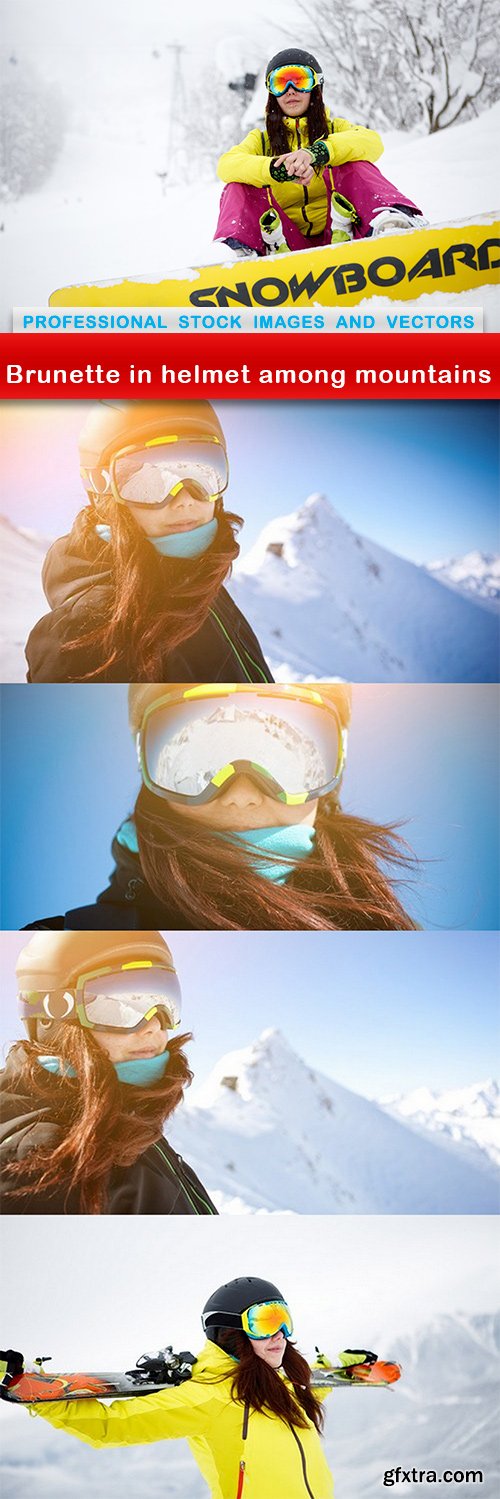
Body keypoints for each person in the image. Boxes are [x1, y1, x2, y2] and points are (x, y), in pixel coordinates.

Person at [26, 683, 418, 932]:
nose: (241, 795)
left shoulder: (389, 931)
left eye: (284, 763)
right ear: (151, 774)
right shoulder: (63, 939)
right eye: (198, 768)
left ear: (329, 777)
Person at [4, 1276, 382, 1498]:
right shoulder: (211, 1398)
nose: (279, 1335)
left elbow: (315, 1385)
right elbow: (113, 1425)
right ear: (231, 1333)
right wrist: (40, 1393)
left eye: (283, 1320)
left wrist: (342, 1367)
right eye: (264, 1323)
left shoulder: (288, 1381)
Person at [25, 400, 273, 685]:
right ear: (103, 491)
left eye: (203, 474)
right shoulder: (83, 635)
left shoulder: (201, 580)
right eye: (151, 482)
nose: (186, 499)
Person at [0, 930, 217, 1216]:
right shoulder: (43, 1165)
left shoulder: (119, 1118)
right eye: (120, 1006)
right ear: (51, 1017)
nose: (153, 1026)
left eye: (164, 1002)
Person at [215, 47, 425, 256]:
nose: (290, 90)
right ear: (272, 93)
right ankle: (238, 250)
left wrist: (317, 153)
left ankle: (390, 225)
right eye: (280, 83)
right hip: (285, 242)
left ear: (316, 87)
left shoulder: (334, 128)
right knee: (238, 184)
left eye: (300, 81)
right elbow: (227, 165)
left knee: (356, 164)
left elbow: (372, 142)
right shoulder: (261, 141)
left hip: (341, 232)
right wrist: (275, 168)